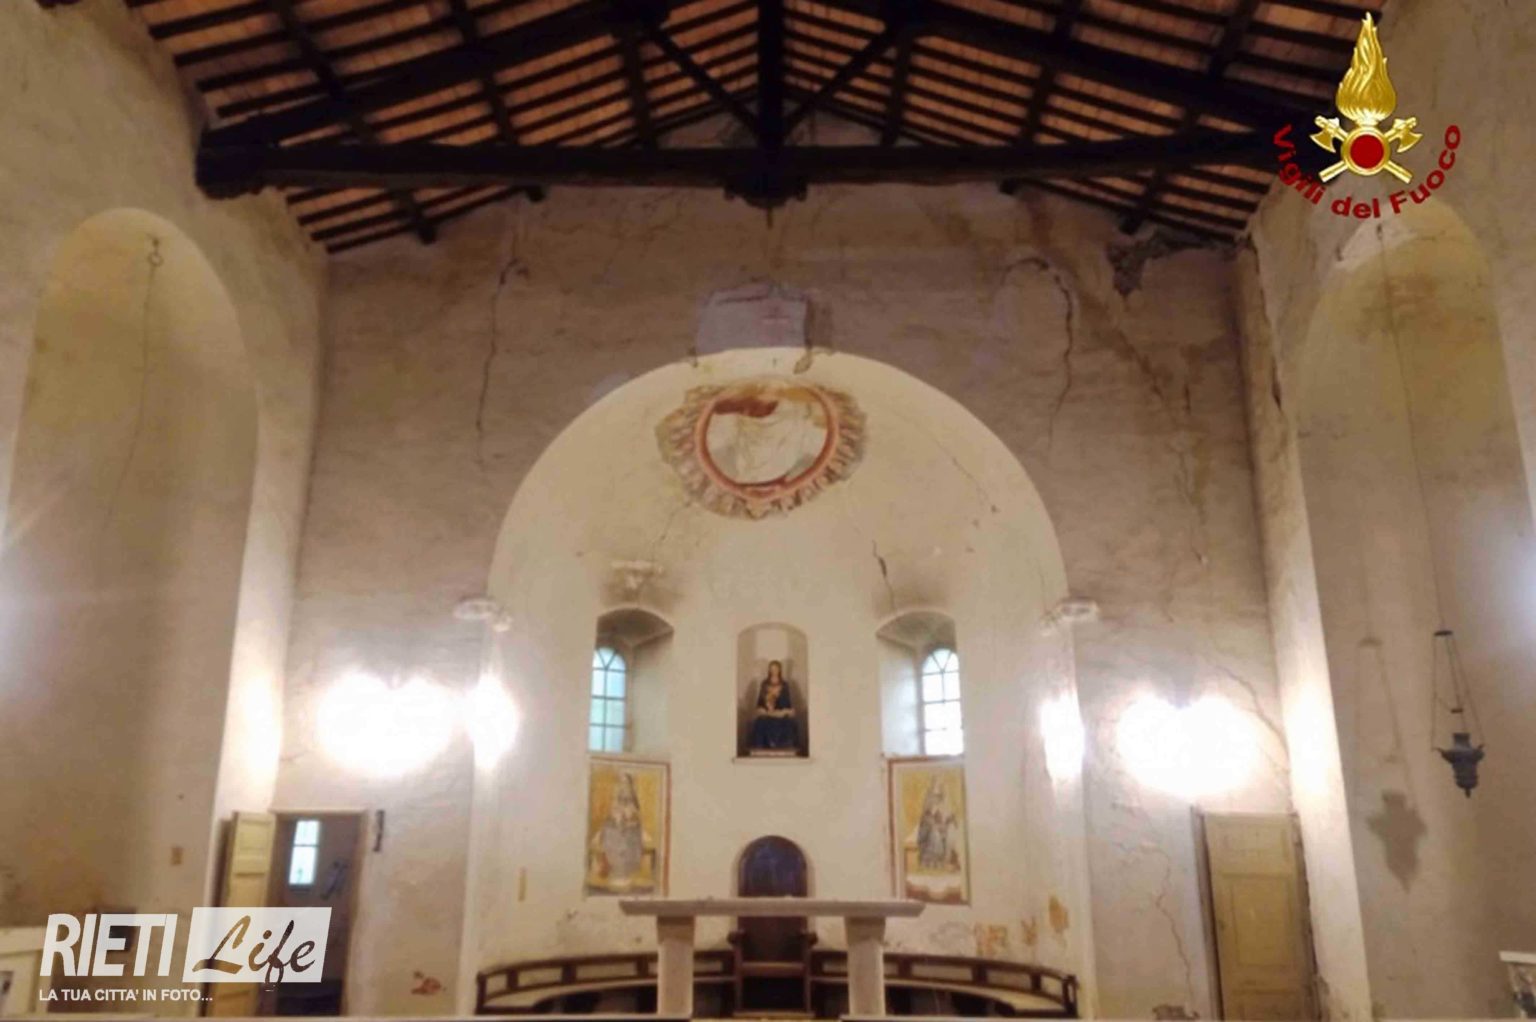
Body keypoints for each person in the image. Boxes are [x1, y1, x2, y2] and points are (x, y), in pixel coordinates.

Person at [748, 660, 799, 751]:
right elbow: (760, 701)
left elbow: (787, 702)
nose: (774, 671)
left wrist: (783, 711)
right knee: (760, 722)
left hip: (780, 712)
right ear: (769, 670)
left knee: (789, 723)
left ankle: (784, 747)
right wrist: (764, 708)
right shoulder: (764, 684)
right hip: (767, 713)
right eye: (772, 669)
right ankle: (762, 747)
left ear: (779, 670)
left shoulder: (784, 685)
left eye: (776, 669)